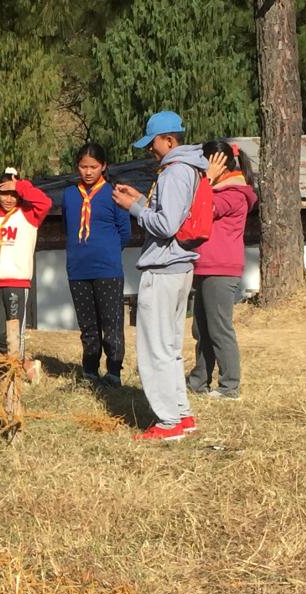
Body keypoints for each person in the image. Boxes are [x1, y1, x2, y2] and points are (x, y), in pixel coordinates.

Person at [112, 111, 206, 441]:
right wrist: (139, 198)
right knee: (169, 347)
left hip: (164, 267)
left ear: (169, 140)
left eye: (152, 144)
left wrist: (133, 208)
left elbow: (166, 225)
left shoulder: (174, 172)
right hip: (179, 266)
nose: (150, 151)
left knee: (155, 349)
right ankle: (181, 415)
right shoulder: (189, 169)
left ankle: (168, 423)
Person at [187, 141, 257, 400]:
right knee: (201, 329)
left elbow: (203, 209)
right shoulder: (216, 188)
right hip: (206, 266)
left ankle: (229, 386)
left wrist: (206, 179)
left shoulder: (234, 193)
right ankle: (198, 381)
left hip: (221, 268)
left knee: (219, 329)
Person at [60, 144, 132, 386]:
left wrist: (108, 252)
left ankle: (113, 371)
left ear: (104, 166)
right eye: (83, 167)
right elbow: (67, 226)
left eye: (93, 167)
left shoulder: (113, 193)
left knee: (111, 322)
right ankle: (90, 370)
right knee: (88, 325)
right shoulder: (69, 195)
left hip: (108, 269)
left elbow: (125, 232)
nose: (88, 172)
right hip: (78, 269)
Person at [0, 168, 51, 379]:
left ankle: (15, 376)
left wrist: (20, 186)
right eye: (5, 193)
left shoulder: (29, 214)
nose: (9, 198)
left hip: (17, 282)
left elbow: (46, 203)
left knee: (16, 333)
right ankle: (25, 363)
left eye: (13, 194)